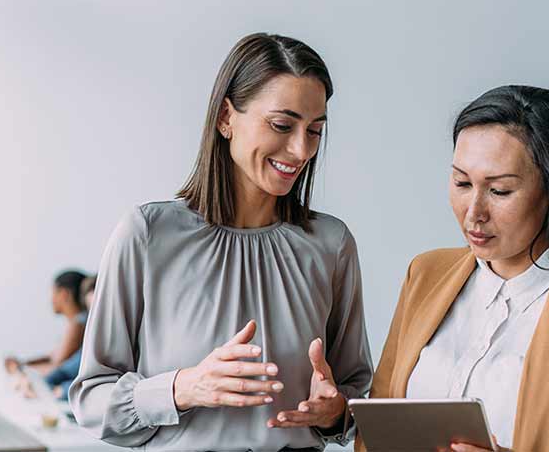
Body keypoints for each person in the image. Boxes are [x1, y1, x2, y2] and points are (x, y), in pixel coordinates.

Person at [70, 33, 372, 451]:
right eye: (282, 125)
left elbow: (358, 393)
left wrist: (337, 411)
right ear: (226, 117)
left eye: (315, 130)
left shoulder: (331, 244)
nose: (301, 149)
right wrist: (182, 388)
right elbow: (91, 399)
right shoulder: (148, 234)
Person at [357, 85, 549, 451]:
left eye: (499, 191)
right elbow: (376, 429)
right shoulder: (425, 273)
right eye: (461, 183)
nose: (474, 212)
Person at [6, 270, 87, 376]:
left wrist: (20, 369)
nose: (51, 299)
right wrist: (22, 364)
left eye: (53, 293)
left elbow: (57, 365)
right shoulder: (79, 322)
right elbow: (52, 356)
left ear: (64, 294)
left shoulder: (78, 324)